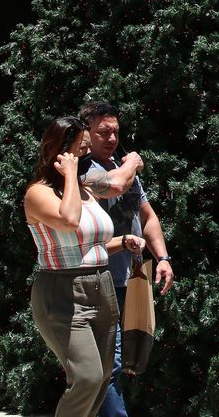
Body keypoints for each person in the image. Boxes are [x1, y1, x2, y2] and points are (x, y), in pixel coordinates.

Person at [25, 116, 145, 417]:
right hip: (63, 291)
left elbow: (89, 244)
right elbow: (69, 221)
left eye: (86, 150)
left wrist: (124, 240)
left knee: (104, 376)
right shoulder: (38, 193)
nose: (86, 157)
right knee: (87, 377)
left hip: (101, 285)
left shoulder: (86, 190)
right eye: (81, 150)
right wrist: (69, 176)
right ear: (61, 151)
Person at [76, 100, 174, 417]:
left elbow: (147, 217)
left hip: (130, 283)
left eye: (116, 132)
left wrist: (162, 257)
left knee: (124, 363)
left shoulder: (124, 170)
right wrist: (132, 162)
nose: (112, 139)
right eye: (103, 132)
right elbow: (113, 185)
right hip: (97, 283)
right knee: (110, 365)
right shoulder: (82, 173)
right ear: (86, 134)